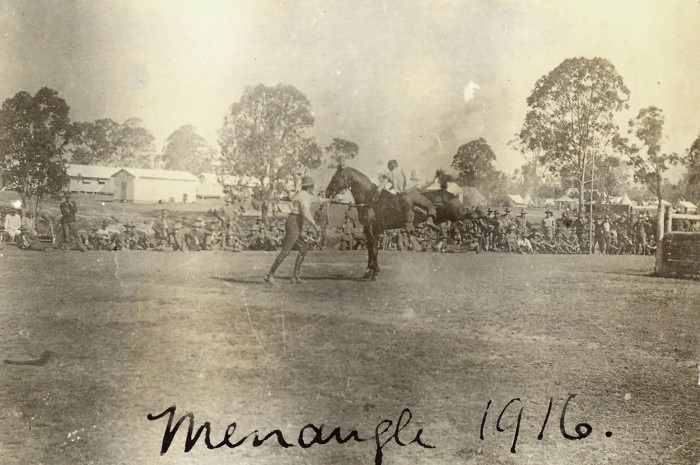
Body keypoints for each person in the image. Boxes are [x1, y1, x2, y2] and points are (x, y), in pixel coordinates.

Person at [265, 175, 321, 284]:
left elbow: (316, 199)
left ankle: (295, 277)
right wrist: (315, 224)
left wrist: (325, 200)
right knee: (286, 251)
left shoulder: (303, 194)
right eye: (312, 186)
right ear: (310, 187)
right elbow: (305, 212)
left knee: (303, 249)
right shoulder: (304, 196)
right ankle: (269, 275)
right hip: (294, 221)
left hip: (296, 221)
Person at [376, 160, 437, 231]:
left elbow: (380, 188)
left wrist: (375, 197)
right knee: (430, 205)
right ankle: (429, 220)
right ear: (396, 165)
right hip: (412, 192)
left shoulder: (388, 174)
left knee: (408, 219)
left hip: (403, 197)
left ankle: (410, 230)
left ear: (389, 167)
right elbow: (413, 179)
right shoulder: (404, 169)